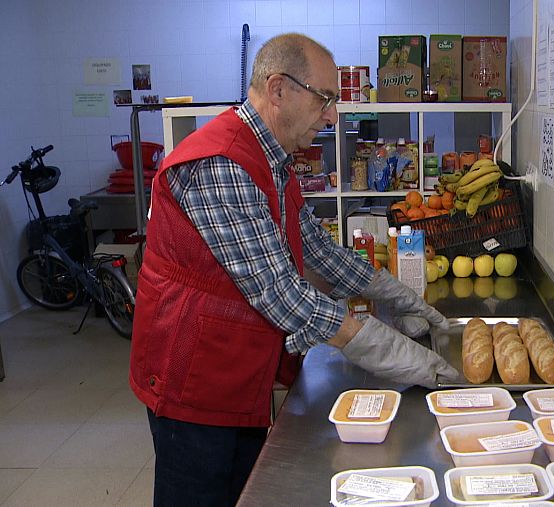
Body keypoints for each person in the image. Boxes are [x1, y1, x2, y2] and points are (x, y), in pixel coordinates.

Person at [128, 33, 461, 507]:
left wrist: (400, 295)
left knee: (243, 490)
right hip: (192, 376)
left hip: (238, 368)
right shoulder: (222, 163)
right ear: (279, 89)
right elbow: (280, 292)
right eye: (325, 98)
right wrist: (395, 353)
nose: (331, 115)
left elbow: (318, 251)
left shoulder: (273, 160)